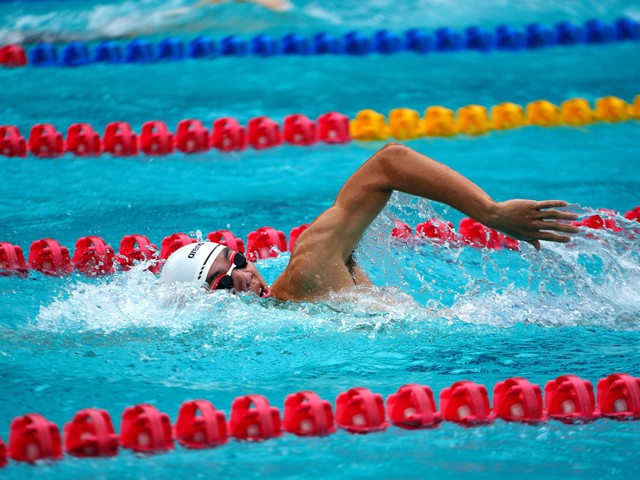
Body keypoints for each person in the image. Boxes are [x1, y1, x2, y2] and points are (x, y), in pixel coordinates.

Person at [160, 143, 579, 301]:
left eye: (236, 260)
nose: (243, 275)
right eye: (222, 280)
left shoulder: (306, 270)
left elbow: (389, 163)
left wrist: (492, 213)